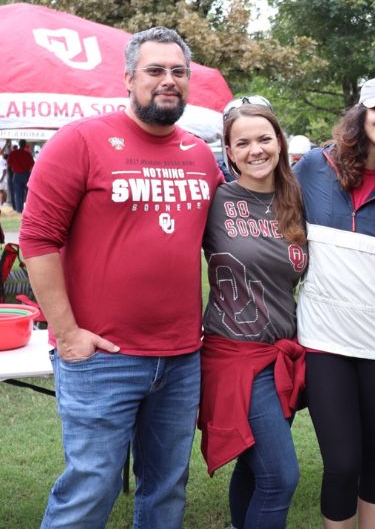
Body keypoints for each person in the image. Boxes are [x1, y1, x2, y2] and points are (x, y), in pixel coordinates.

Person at [19, 26, 222, 528]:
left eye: (178, 72)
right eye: (155, 71)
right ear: (129, 77)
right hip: (102, 357)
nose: (168, 81)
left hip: (179, 358)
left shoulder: (200, 156)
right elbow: (37, 241)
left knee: (167, 488)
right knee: (91, 488)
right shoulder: (80, 141)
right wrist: (67, 335)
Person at [292, 76, 375, 529]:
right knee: (343, 460)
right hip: (323, 336)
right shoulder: (312, 166)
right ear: (361, 112)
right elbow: (273, 216)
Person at [198, 96, 308, 528]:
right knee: (280, 477)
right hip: (235, 356)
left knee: (255, 466)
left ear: (279, 142)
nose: (255, 150)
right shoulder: (215, 201)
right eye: (242, 143)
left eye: (264, 138)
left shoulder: (297, 198)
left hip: (285, 353)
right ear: (229, 151)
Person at [7, 138, 35, 212]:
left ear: (19, 144)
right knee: (26, 192)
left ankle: (19, 210)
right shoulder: (28, 154)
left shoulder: (14, 153)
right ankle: (26, 208)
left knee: (17, 192)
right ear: (25, 145)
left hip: (17, 175)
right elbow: (32, 164)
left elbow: (9, 162)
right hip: (26, 175)